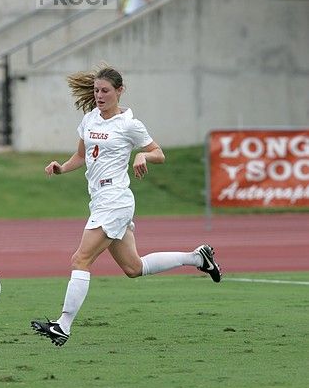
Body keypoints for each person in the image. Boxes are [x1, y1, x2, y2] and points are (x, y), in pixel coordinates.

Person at [31, 65, 222, 347]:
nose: (99, 95)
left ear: (119, 92)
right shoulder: (90, 119)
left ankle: (63, 325)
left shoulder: (129, 124)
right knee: (134, 268)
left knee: (80, 260)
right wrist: (61, 168)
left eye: (105, 90)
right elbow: (81, 156)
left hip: (116, 200)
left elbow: (158, 152)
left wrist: (142, 157)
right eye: (96, 90)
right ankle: (198, 258)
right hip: (99, 200)